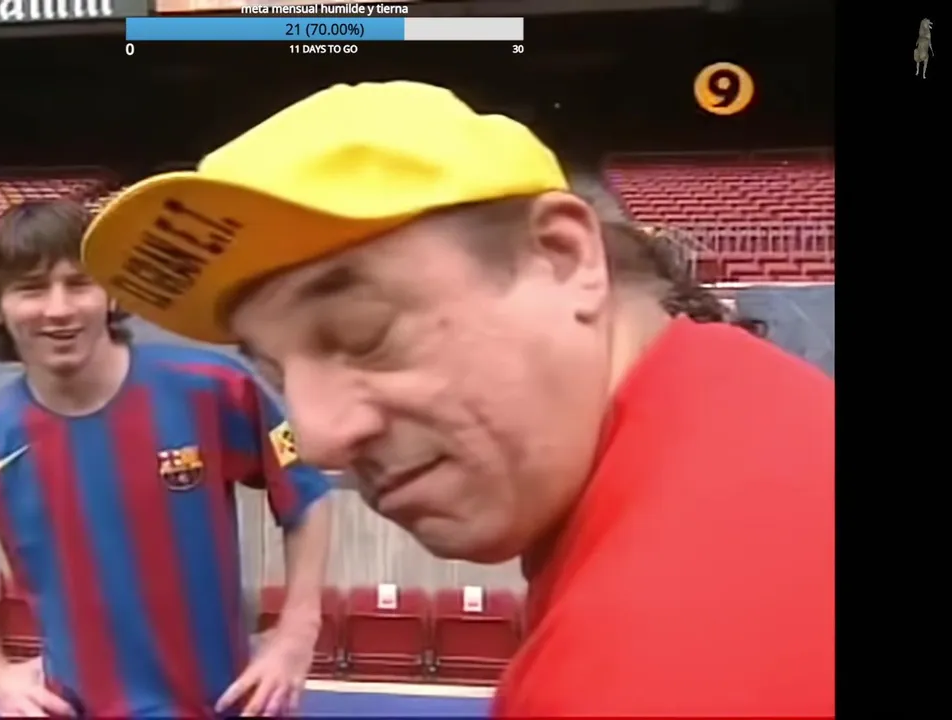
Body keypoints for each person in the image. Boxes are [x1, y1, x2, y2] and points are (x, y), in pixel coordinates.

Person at [79, 82, 834, 716]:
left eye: (364, 332)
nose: (317, 437)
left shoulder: (644, 667)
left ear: (564, 256)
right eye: (277, 371)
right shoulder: (753, 408)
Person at [0, 199, 334, 718]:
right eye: (32, 289)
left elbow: (306, 497)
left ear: (111, 292)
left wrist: (298, 631)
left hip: (227, 706)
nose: (59, 308)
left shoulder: (213, 389)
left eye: (79, 283)